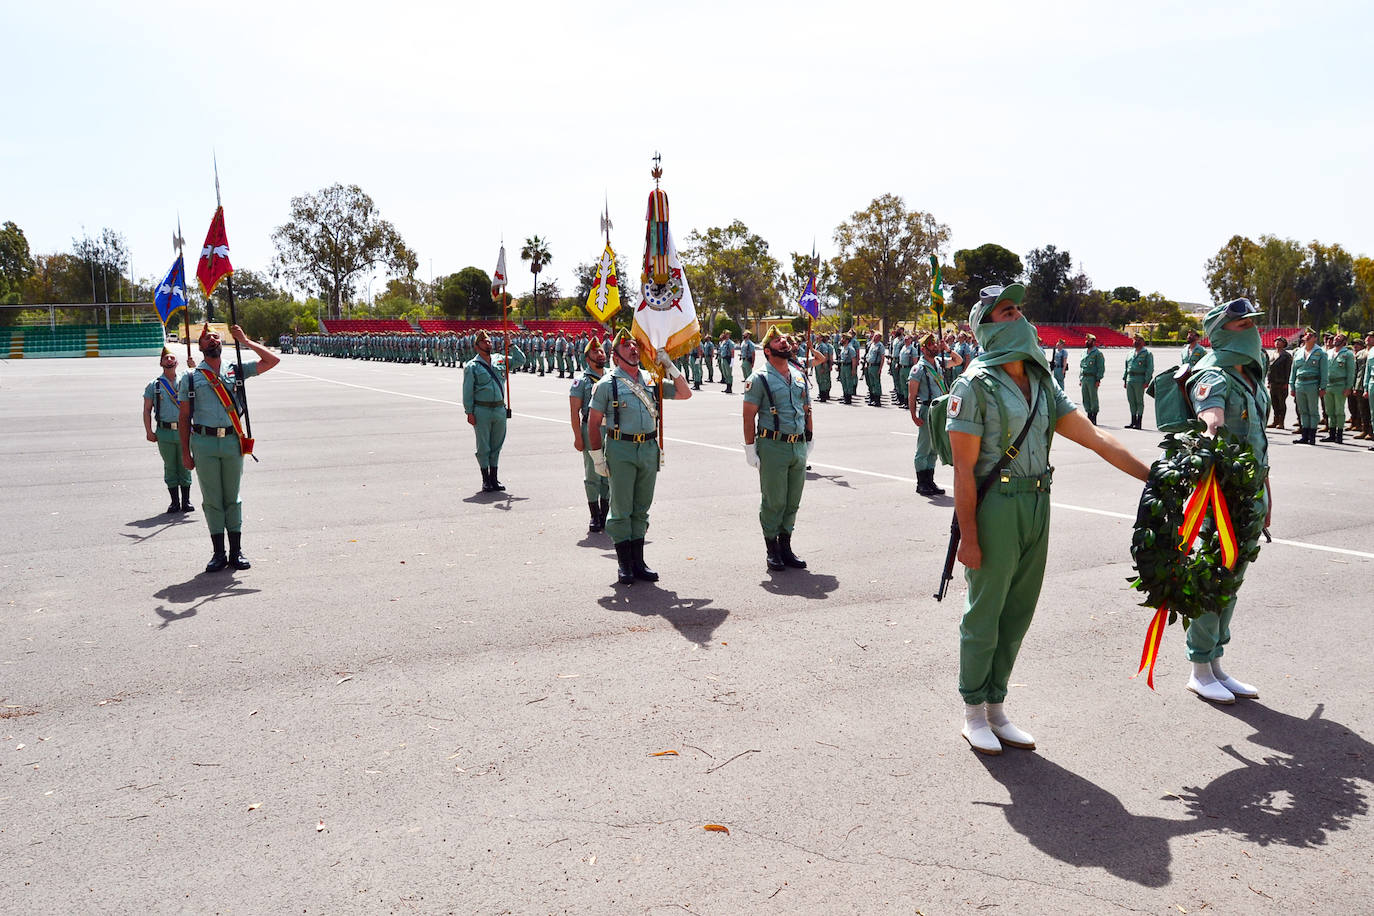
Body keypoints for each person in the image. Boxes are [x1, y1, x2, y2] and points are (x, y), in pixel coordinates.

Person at [947, 285, 1149, 755]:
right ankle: (973, 710)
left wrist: (1151, 476)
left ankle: (997, 707)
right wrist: (969, 537)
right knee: (985, 612)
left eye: (1019, 307)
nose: (1019, 315)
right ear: (989, 327)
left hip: (1039, 501)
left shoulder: (1041, 383)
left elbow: (1095, 437)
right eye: (1007, 310)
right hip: (995, 505)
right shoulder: (973, 384)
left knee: (1018, 611)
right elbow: (962, 470)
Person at [1182, 299, 1272, 703]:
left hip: (1251, 493)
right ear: (1220, 331)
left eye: (1253, 322)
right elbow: (1210, 411)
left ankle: (1216, 663)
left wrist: (1268, 493)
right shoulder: (1213, 372)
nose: (1251, 329)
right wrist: (1211, 422)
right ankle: (1199, 668)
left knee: (1232, 579)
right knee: (1213, 575)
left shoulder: (1250, 376)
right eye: (1241, 324)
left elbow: (1260, 443)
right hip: (1220, 494)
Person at [587, 332, 692, 584]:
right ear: (615, 355)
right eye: (626, 346)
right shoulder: (606, 384)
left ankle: (639, 562)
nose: (633, 349)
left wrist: (669, 365)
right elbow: (592, 424)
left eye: (635, 344)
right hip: (620, 448)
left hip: (647, 448)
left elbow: (685, 393)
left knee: (641, 508)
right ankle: (624, 565)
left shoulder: (651, 380)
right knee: (622, 508)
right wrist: (597, 458)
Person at [178, 324, 280, 572]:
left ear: (222, 343)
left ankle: (236, 552)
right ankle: (218, 553)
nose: (212, 339)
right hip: (204, 442)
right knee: (212, 500)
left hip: (233, 441)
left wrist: (245, 340)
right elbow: (183, 418)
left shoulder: (235, 369)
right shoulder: (190, 378)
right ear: (200, 347)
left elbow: (272, 360)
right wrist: (185, 453)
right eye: (207, 338)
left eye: (216, 336)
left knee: (232, 498)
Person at [742, 328, 813, 571]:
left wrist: (810, 437)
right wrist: (750, 449)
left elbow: (806, 408)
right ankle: (772, 549)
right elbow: (748, 416)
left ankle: (786, 547)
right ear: (768, 350)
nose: (784, 342)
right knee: (774, 501)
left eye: (785, 339)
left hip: (798, 445)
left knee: (793, 500)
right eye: (777, 340)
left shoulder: (798, 375)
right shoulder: (759, 378)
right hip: (773, 445)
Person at [462, 329, 526, 492]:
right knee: (484, 447)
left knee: (497, 445)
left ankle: (494, 479)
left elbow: (521, 360)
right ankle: (485, 480)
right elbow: (467, 390)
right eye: (484, 342)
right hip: (481, 409)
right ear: (477, 346)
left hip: (499, 408)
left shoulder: (500, 359)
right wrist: (469, 412)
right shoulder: (472, 366)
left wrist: (510, 344)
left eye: (489, 341)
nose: (488, 343)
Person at [908, 332, 962, 497]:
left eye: (935, 344)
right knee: (924, 447)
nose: (935, 347)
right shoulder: (919, 368)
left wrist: (948, 349)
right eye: (931, 345)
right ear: (924, 349)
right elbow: (912, 394)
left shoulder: (939, 363)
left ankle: (930, 480)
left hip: (940, 410)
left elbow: (958, 361)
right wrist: (913, 415)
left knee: (935, 448)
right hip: (927, 409)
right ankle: (921, 482)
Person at [143, 347, 195, 514]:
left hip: (184, 430)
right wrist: (149, 431)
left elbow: (201, 384)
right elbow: (146, 410)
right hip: (164, 431)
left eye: (172, 357)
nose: (169, 360)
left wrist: (193, 367)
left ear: (177, 362)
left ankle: (186, 501)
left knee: (185, 464)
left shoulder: (186, 380)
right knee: (170, 466)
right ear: (161, 363)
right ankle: (174, 502)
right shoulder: (154, 385)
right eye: (166, 358)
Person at [569, 337, 610, 533]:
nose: (600, 354)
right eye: (595, 352)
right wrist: (578, 436)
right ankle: (594, 514)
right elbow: (574, 411)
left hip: (610, 430)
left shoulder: (613, 376)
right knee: (593, 473)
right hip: (590, 429)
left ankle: (606, 512)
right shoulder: (581, 381)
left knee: (609, 473)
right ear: (587, 358)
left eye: (601, 351)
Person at [1289, 329, 1327, 445]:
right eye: (1306, 335)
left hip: (1312, 384)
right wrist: (1292, 385)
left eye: (1310, 335)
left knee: (1313, 411)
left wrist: (1323, 387)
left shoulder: (1320, 353)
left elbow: (1324, 371)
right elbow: (1293, 370)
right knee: (1303, 410)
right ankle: (1304, 435)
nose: (1307, 337)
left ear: (1315, 338)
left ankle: (1312, 436)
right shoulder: (1298, 352)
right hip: (1300, 384)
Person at [1322, 334, 1355, 443]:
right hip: (1328, 385)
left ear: (1344, 341)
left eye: (1339, 338)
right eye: (1335, 337)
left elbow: (1351, 373)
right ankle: (1331, 434)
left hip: (1340, 385)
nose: (1336, 339)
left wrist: (1348, 387)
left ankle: (1339, 434)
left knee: (1339, 411)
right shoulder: (1329, 352)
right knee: (1329, 411)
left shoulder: (1348, 354)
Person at [1122, 334, 1155, 429]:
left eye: (1138, 340)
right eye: (1134, 339)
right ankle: (1132, 421)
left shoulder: (1147, 353)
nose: (1135, 341)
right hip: (1130, 379)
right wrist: (1124, 379)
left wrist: (1147, 381)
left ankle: (1138, 422)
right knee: (1131, 400)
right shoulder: (1130, 353)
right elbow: (1126, 367)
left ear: (1143, 342)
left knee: (1139, 401)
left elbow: (1150, 368)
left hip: (1139, 379)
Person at [1266, 336, 1292, 429]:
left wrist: (1286, 383)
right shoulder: (1272, 354)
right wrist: (1269, 381)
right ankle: (1275, 420)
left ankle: (1281, 422)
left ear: (1284, 344)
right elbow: (1269, 369)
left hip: (1282, 383)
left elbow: (1288, 370)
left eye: (1280, 341)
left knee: (1281, 403)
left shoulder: (1286, 356)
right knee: (1274, 402)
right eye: (1276, 341)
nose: (1277, 343)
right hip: (1273, 382)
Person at [1078, 333, 1104, 424]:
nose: (1087, 342)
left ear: (1093, 342)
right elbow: (1081, 366)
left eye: (1089, 340)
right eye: (1086, 340)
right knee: (1085, 397)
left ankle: (1094, 417)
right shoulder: (1084, 352)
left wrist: (1098, 379)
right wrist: (1080, 378)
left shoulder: (1098, 353)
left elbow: (1101, 367)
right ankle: (1089, 415)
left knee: (1093, 397)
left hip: (1092, 379)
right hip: (1084, 378)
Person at [864, 331, 885, 406]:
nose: (874, 337)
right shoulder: (871, 344)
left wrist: (880, 368)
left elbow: (882, 358)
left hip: (876, 366)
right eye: (874, 336)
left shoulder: (880, 346)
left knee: (876, 383)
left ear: (879, 338)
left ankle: (877, 400)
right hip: (869, 365)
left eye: (876, 336)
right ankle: (872, 398)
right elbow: (868, 355)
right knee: (871, 383)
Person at [839, 332, 859, 404]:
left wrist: (853, 369)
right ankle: (845, 396)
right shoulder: (843, 348)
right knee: (843, 382)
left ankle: (848, 398)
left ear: (847, 340)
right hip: (843, 366)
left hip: (848, 366)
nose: (841, 340)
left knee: (848, 382)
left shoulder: (850, 348)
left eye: (843, 338)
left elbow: (854, 359)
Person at [814, 333, 834, 402]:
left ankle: (823, 396)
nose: (816, 337)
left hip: (822, 364)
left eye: (818, 337)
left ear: (821, 338)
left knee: (823, 380)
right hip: (817, 364)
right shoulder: (817, 345)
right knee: (819, 380)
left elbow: (825, 357)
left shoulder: (823, 346)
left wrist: (823, 367)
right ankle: (821, 394)